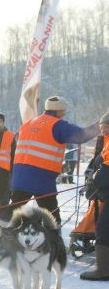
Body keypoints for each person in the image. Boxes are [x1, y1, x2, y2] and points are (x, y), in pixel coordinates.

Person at [10, 96, 99, 227]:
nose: (65, 113)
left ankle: (2, 235)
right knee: (52, 218)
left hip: (20, 176)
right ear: (59, 110)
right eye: (64, 110)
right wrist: (100, 125)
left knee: (13, 212)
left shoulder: (29, 123)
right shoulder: (57, 125)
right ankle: (54, 239)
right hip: (41, 177)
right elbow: (81, 135)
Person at [80, 111, 109, 281]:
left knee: (104, 227)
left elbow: (107, 170)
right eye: (102, 127)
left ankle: (103, 270)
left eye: (106, 127)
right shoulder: (106, 142)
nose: (103, 130)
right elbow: (100, 162)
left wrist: (95, 183)